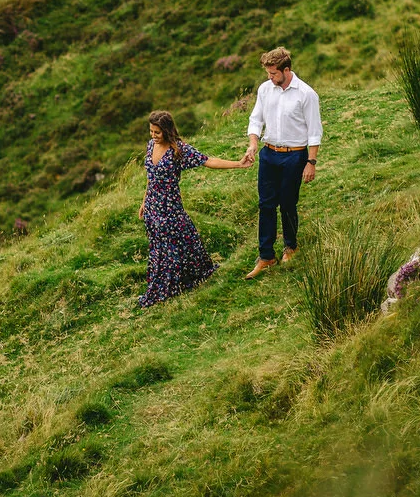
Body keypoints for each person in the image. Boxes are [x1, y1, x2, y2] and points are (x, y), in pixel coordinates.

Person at [137, 110, 249, 307]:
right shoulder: (150, 146)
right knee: (160, 244)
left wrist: (238, 165)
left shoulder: (178, 150)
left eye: (157, 133)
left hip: (169, 205)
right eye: (151, 132)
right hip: (152, 206)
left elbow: (208, 161)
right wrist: (144, 201)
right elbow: (150, 177)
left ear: (167, 131)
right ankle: (170, 280)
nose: (153, 136)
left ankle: (171, 284)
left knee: (174, 241)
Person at [242, 46, 322, 279]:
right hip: (268, 153)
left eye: (273, 73)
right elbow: (255, 119)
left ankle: (291, 246)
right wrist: (253, 143)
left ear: (286, 70)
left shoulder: (306, 94)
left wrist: (311, 162)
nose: (269, 77)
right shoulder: (265, 90)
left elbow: (315, 131)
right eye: (267, 73)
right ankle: (266, 256)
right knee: (265, 204)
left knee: (288, 203)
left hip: (294, 155)